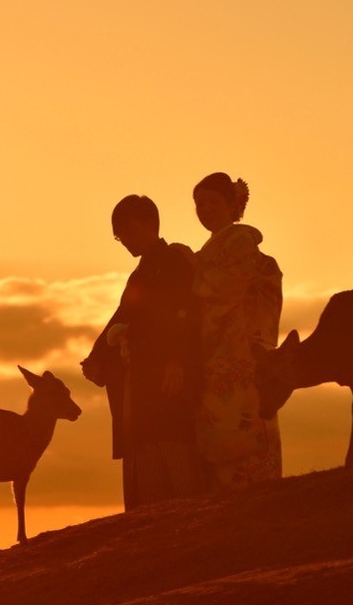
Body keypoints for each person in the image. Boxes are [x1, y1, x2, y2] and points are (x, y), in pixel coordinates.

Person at [81, 195, 204, 510]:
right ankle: (151, 520)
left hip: (168, 373)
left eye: (129, 232)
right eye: (119, 236)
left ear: (151, 224)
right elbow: (122, 316)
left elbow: (186, 313)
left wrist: (177, 360)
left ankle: (185, 517)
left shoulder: (174, 261)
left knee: (172, 441)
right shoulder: (142, 272)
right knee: (145, 441)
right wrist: (97, 357)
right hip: (141, 374)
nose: (125, 241)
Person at [191, 172, 283, 490]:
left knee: (245, 419)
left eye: (213, 202)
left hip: (239, 350)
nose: (205, 209)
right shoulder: (207, 251)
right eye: (199, 203)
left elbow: (225, 286)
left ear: (232, 205)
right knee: (220, 428)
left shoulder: (241, 241)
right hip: (216, 354)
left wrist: (193, 279)